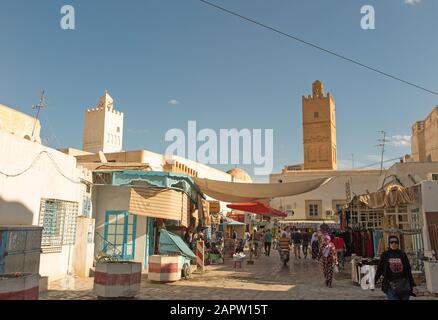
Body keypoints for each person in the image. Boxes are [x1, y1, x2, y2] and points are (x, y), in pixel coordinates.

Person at [374, 235, 417, 300]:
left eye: (396, 242)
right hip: (390, 285)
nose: (394, 244)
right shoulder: (385, 255)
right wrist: (374, 281)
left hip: (403, 285)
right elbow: (379, 269)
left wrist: (413, 284)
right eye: (392, 242)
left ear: (398, 244)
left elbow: (408, 270)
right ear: (389, 244)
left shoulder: (402, 254)